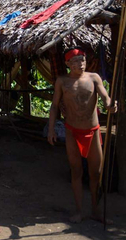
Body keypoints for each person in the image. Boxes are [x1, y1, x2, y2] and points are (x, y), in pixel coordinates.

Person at [48, 49, 117, 223]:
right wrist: (51, 129)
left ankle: (96, 210)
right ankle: (79, 210)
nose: (81, 64)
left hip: (92, 131)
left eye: (83, 60)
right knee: (76, 171)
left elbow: (105, 97)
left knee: (96, 172)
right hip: (73, 131)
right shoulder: (62, 81)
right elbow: (55, 106)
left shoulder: (94, 77)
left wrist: (110, 105)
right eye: (76, 61)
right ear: (68, 64)